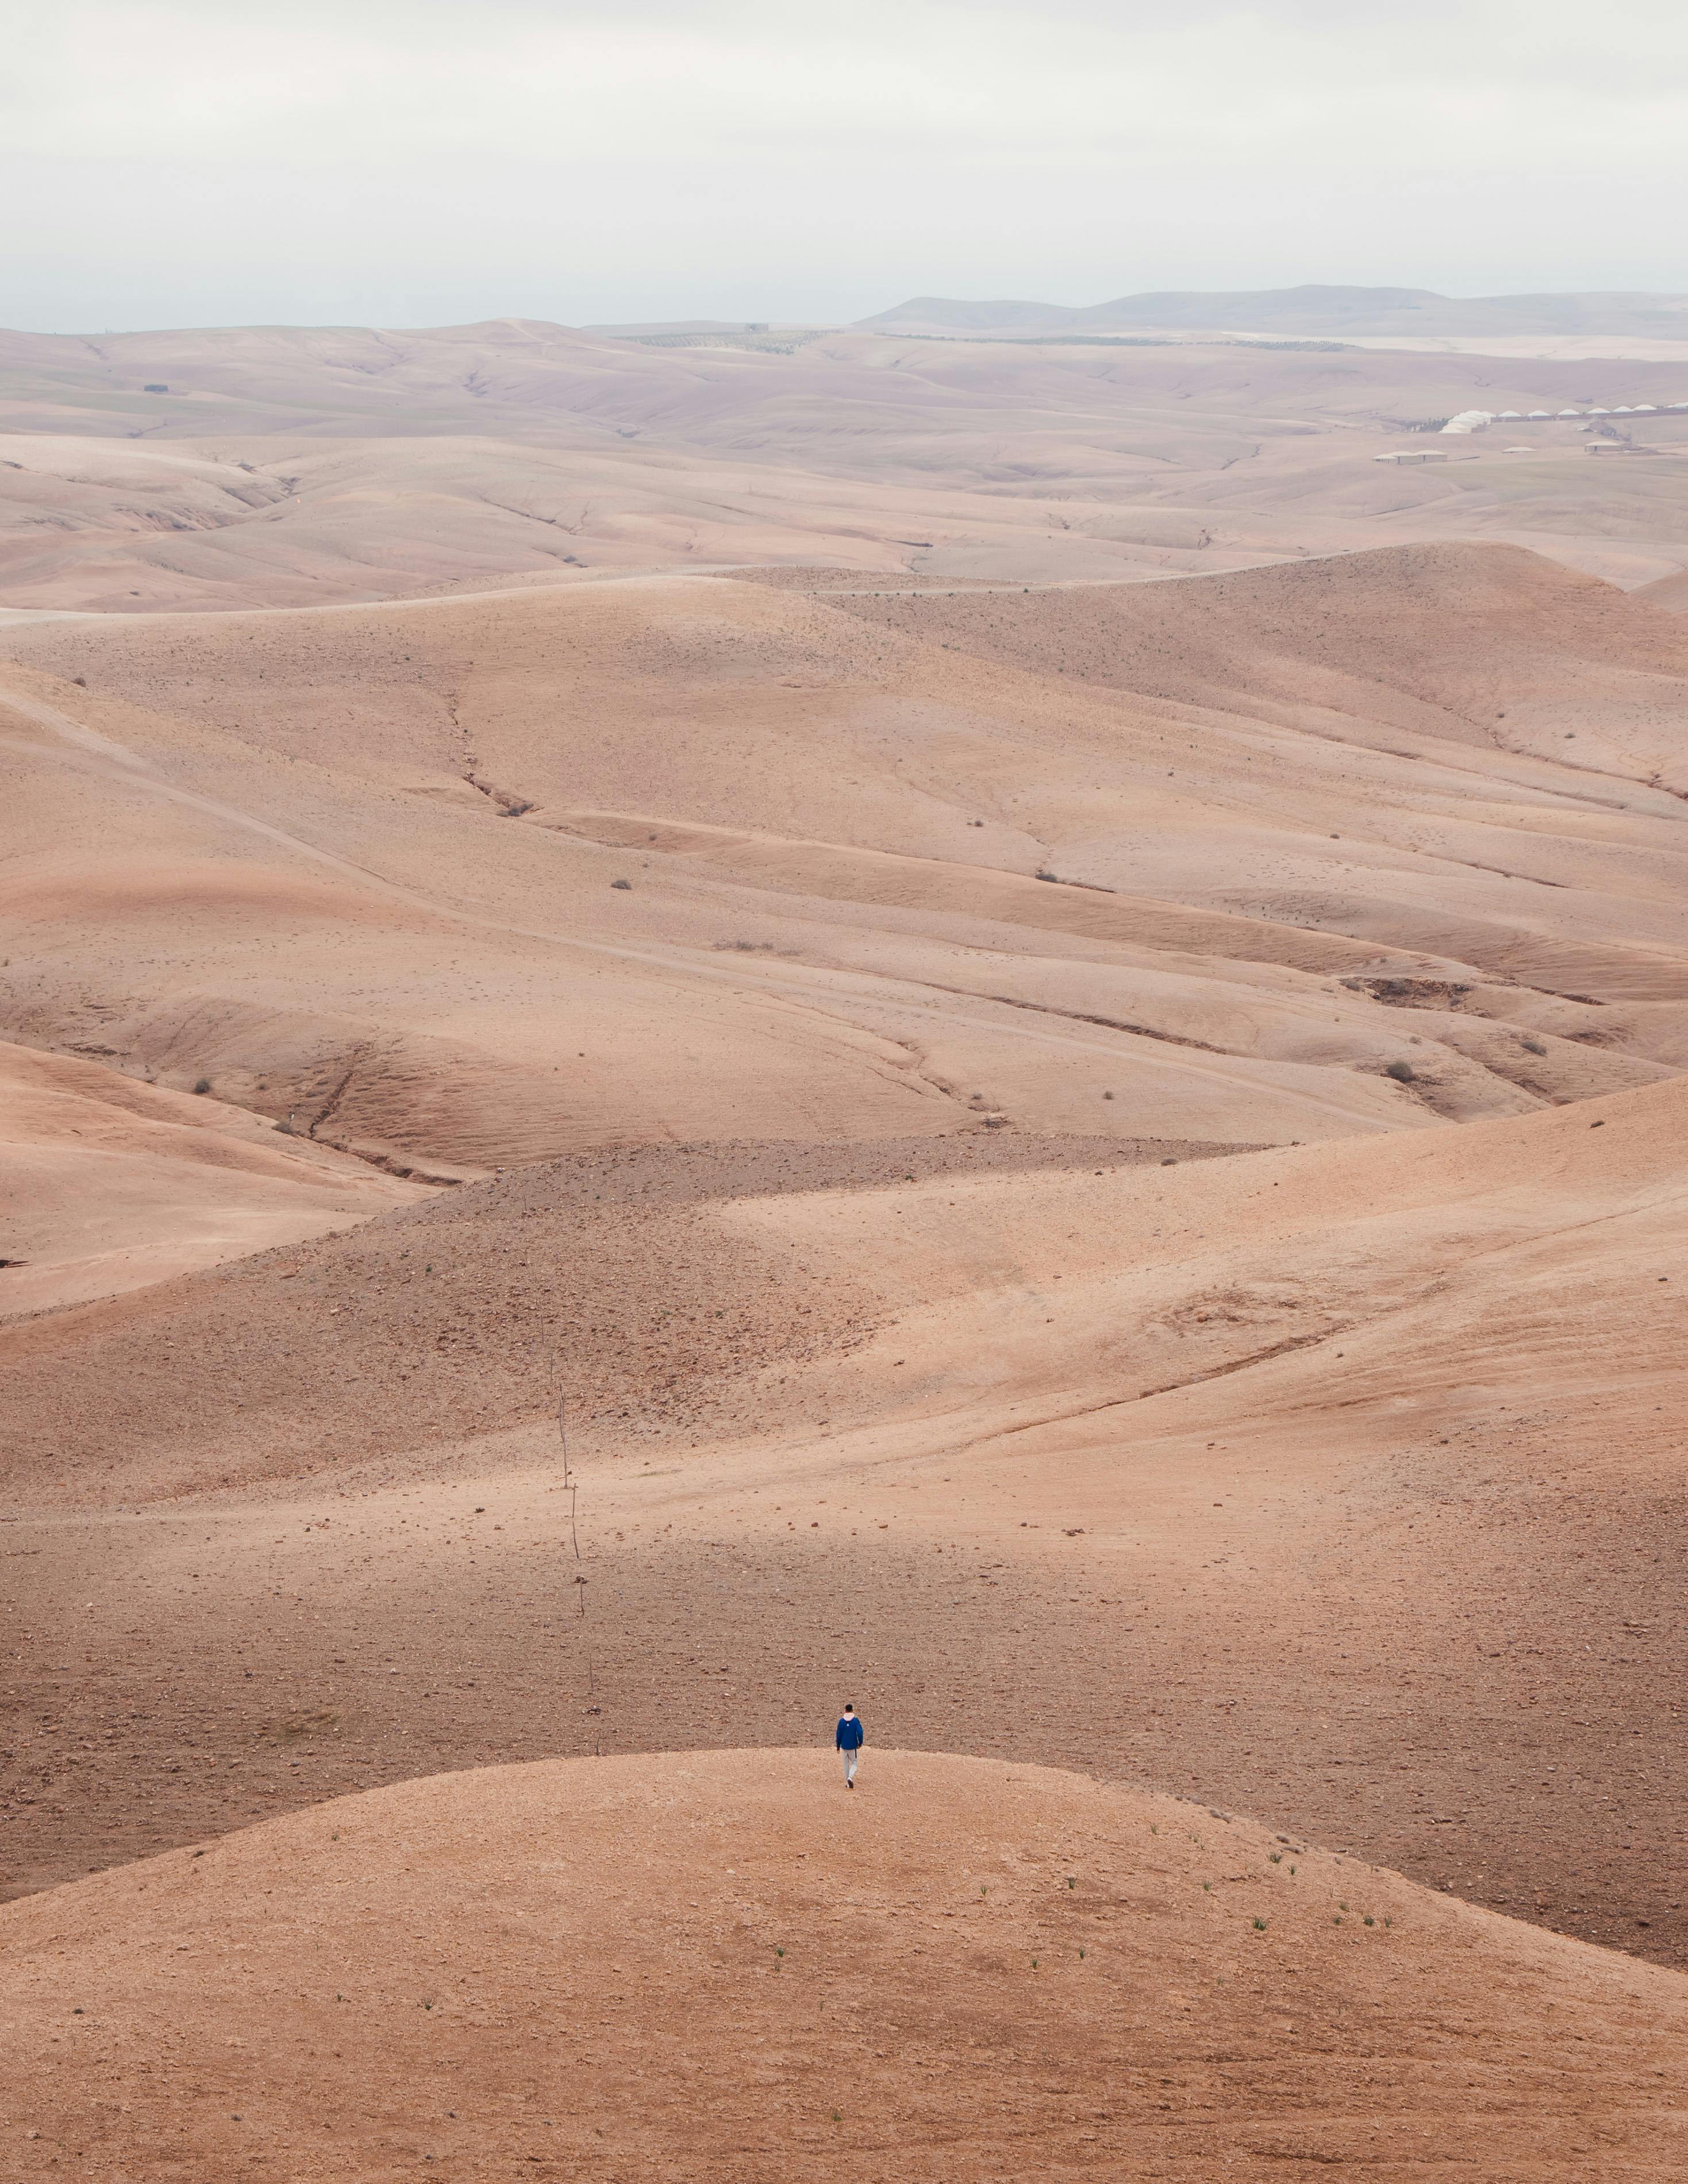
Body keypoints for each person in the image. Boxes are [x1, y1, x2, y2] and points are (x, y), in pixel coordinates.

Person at [835, 1702, 864, 1788]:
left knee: (846, 1764)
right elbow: (860, 1732)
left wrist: (838, 1745)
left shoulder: (841, 1721)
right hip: (852, 1746)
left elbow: (838, 1734)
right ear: (852, 1711)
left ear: (845, 1711)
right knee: (854, 1763)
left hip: (844, 1746)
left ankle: (848, 1782)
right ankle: (850, 1777)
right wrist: (860, 1743)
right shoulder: (855, 1721)